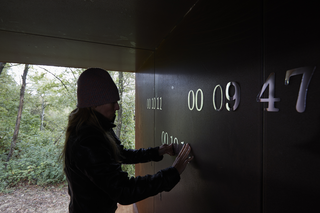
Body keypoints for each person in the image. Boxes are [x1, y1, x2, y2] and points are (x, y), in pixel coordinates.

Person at [61, 68, 194, 213]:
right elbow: (124, 190)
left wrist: (157, 151)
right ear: (94, 104)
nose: (117, 107)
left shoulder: (98, 128)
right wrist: (173, 173)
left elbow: (120, 154)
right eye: (113, 102)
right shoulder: (86, 140)